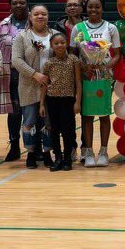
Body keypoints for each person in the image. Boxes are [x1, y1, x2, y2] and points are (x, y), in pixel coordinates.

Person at [71, 0, 120, 167]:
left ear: (102, 8)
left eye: (97, 7)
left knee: (104, 114)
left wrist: (106, 68)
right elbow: (72, 54)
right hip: (86, 75)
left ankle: (104, 151)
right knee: (87, 115)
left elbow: (117, 54)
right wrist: (84, 68)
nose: (93, 10)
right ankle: (89, 151)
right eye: (90, 7)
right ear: (86, 8)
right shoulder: (78, 28)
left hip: (104, 76)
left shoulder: (111, 27)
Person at [12, 5, 57, 169]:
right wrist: (34, 74)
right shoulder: (21, 37)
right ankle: (31, 153)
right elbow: (16, 60)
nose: (40, 17)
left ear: (48, 16)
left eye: (44, 14)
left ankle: (47, 153)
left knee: (48, 121)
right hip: (28, 85)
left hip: (51, 86)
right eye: (36, 14)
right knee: (29, 120)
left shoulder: (54, 35)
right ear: (30, 17)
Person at [39, 33, 81, 171]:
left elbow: (78, 82)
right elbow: (44, 84)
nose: (60, 45)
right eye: (56, 43)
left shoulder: (73, 60)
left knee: (68, 130)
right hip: (52, 100)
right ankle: (57, 157)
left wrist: (77, 101)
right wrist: (41, 104)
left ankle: (67, 158)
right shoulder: (49, 63)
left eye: (62, 42)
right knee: (54, 130)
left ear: (66, 43)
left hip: (68, 100)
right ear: (52, 46)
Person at [0, 0, 29, 162]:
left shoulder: (36, 22)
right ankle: (14, 146)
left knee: (32, 112)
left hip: (30, 75)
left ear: (27, 5)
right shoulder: (2, 26)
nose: (18, 5)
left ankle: (33, 147)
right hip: (12, 74)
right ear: (10, 6)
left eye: (22, 2)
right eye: (15, 3)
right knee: (14, 113)